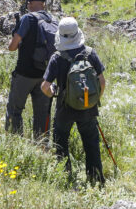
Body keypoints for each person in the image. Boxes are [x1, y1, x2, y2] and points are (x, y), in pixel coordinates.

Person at [41, 17, 105, 185]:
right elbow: (102, 82)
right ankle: (96, 180)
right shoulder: (90, 53)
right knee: (91, 144)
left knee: (61, 142)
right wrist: (93, 101)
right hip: (88, 106)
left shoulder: (57, 57)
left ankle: (66, 179)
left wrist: (52, 92)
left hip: (64, 109)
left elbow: (45, 87)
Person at [5, 0, 54, 138]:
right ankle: (41, 144)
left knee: (14, 110)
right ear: (43, 4)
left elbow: (12, 47)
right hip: (46, 75)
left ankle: (15, 142)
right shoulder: (52, 19)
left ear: (29, 4)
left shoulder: (28, 18)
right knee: (42, 113)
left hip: (25, 73)